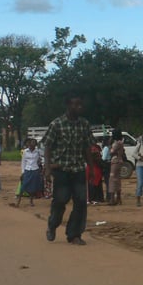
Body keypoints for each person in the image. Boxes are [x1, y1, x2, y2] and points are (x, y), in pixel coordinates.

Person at [43, 96, 96, 245]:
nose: (79, 107)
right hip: (62, 169)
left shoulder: (84, 124)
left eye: (81, 104)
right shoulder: (56, 124)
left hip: (78, 168)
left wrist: (91, 168)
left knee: (80, 202)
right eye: (76, 104)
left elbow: (87, 147)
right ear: (68, 105)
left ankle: (74, 234)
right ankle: (52, 225)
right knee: (61, 200)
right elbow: (47, 146)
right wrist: (47, 169)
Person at [14, 138, 45, 206]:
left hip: (35, 170)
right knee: (23, 186)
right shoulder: (25, 151)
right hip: (27, 170)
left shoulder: (38, 151)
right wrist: (22, 172)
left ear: (35, 144)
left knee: (32, 187)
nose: (32, 144)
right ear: (29, 143)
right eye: (31, 142)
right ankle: (18, 201)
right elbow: (23, 162)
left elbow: (43, 158)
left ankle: (31, 201)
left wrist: (41, 163)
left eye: (34, 143)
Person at [107, 130, 126, 206]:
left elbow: (111, 151)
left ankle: (112, 199)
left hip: (115, 161)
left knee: (112, 180)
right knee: (117, 179)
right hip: (119, 161)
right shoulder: (120, 143)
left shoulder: (117, 143)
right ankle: (118, 198)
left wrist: (109, 143)